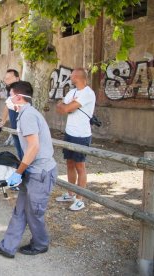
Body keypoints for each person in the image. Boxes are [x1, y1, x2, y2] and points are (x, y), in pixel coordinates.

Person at [0, 81, 57, 258]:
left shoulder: (27, 115)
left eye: (10, 96)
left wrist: (18, 172)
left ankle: (41, 244)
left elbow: (33, 147)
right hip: (32, 170)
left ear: (18, 97)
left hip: (40, 173)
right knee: (20, 209)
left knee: (34, 212)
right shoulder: (25, 114)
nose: (8, 100)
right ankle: (8, 247)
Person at [55, 68, 96, 211]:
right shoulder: (72, 92)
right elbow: (60, 108)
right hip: (69, 133)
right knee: (69, 164)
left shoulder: (88, 93)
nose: (70, 77)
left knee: (80, 166)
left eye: (71, 75)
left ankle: (80, 199)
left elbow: (66, 109)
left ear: (77, 77)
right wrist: (65, 106)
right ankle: (71, 193)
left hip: (81, 135)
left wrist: (67, 106)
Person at [0, 69, 24, 160]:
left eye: (9, 78)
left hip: (23, 127)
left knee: (25, 153)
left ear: (17, 78)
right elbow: (7, 106)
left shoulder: (21, 89)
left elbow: (7, 105)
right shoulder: (11, 89)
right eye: (5, 78)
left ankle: (27, 172)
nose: (6, 80)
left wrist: (2, 122)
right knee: (20, 152)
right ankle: (23, 172)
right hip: (14, 126)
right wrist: (2, 121)